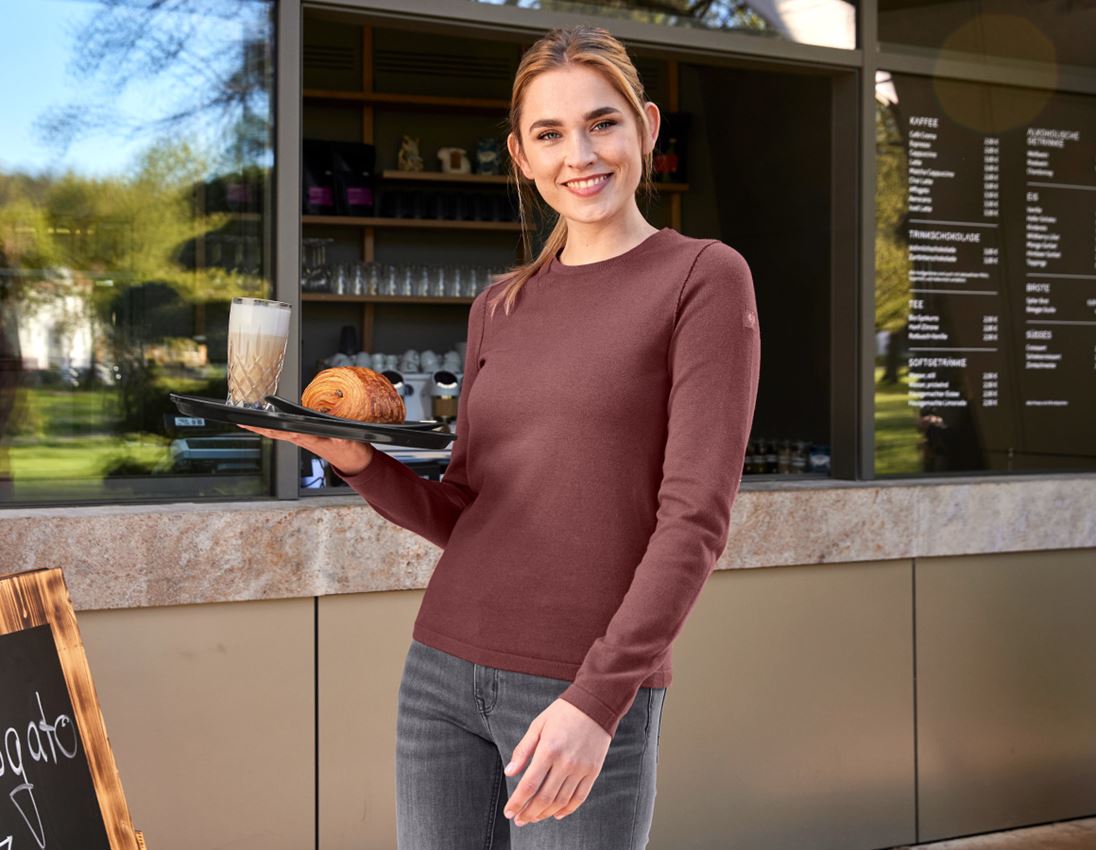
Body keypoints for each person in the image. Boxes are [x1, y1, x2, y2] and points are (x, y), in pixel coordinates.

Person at [242, 23, 761, 850]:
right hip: (441, 675)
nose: (579, 155)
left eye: (602, 123)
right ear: (521, 156)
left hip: (581, 683)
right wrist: (357, 462)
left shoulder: (701, 277)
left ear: (648, 127)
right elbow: (466, 511)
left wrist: (598, 701)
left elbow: (695, 520)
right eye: (550, 134)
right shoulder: (501, 303)